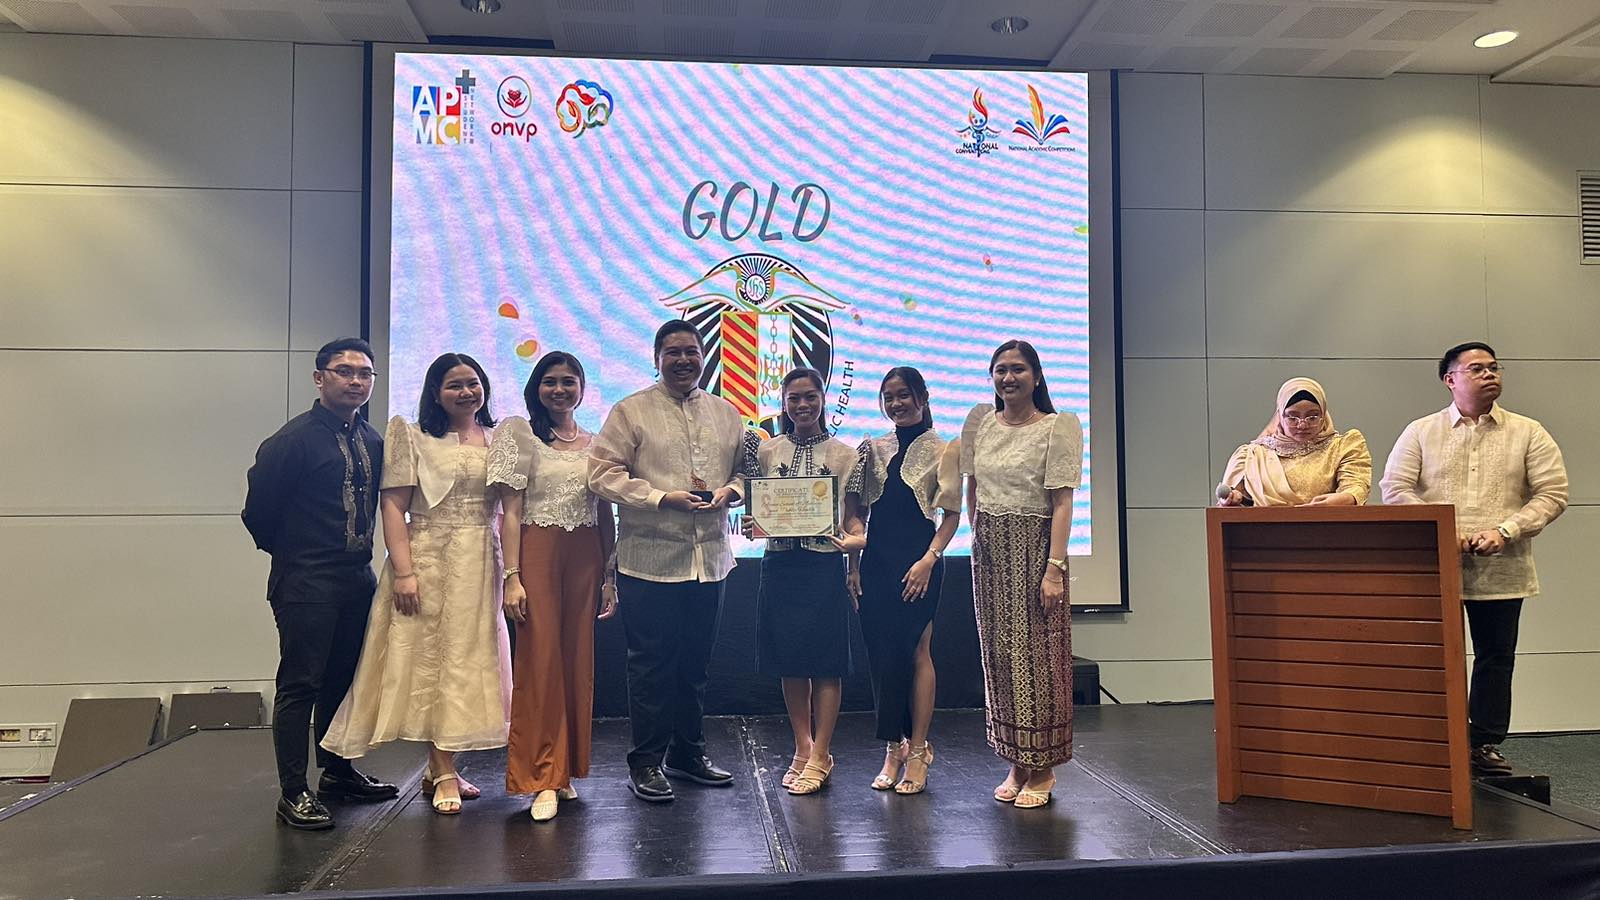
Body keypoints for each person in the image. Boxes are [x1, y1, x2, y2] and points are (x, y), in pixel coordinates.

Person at [319, 352, 513, 815]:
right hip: (428, 560)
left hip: (481, 560)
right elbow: (393, 508)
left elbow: (508, 510)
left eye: (473, 383)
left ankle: (441, 765)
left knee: (467, 662)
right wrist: (404, 572)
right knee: (431, 663)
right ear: (435, 393)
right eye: (454, 385)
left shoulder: (499, 438)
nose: (466, 392)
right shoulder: (413, 435)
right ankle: (442, 768)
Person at [588, 320, 761, 803]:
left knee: (695, 665)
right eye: (673, 352)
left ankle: (687, 754)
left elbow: (746, 474)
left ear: (704, 357)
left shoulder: (727, 413)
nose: (684, 360)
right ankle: (645, 762)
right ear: (657, 358)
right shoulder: (630, 411)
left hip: (711, 561)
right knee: (650, 667)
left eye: (692, 352)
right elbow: (600, 475)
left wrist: (730, 492)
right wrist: (661, 498)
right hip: (650, 562)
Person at [1381, 341, 1567, 777]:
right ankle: (1429, 740)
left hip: (1503, 566)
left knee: (1495, 657)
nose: (1490, 375)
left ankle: (1483, 743)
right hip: (1432, 567)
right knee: (1428, 656)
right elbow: (1395, 488)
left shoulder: (1528, 431)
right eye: (1477, 369)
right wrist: (1442, 531)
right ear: (1450, 379)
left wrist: (1506, 531)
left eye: (1494, 368)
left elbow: (1553, 493)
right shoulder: (1421, 431)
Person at [243, 337, 399, 831]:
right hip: (306, 579)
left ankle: (338, 772)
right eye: (344, 371)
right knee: (300, 683)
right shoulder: (292, 441)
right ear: (319, 378)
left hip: (358, 578)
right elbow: (258, 514)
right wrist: (298, 554)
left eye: (364, 373)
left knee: (344, 680)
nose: (356, 381)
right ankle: (293, 791)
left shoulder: (372, 439)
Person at [489, 351, 618, 821]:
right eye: (550, 381)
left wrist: (609, 576)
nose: (559, 389)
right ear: (536, 387)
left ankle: (564, 770)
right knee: (540, 661)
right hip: (537, 552)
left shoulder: (596, 442)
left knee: (576, 662)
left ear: (581, 387)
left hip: (586, 555)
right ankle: (541, 775)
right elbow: (510, 513)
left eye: (568, 381)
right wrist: (512, 576)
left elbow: (605, 512)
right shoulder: (519, 433)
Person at [959, 340, 1081, 810]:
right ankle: (1015, 760)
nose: (1008, 378)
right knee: (999, 658)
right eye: (1000, 370)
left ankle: (1043, 766)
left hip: (1035, 550)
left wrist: (1055, 568)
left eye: (1018, 369)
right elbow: (972, 487)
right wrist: (978, 534)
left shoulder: (1055, 427)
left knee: (1039, 657)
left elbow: (1062, 502)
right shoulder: (981, 423)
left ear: (1036, 376)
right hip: (990, 551)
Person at [744, 368, 863, 795]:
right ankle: (802, 747)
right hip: (779, 565)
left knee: (826, 663)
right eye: (793, 398)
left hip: (823, 566)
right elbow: (756, 507)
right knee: (790, 661)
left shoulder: (846, 455)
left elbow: (855, 520)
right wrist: (753, 523)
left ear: (823, 398)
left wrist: (855, 548)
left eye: (810, 396)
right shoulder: (766, 451)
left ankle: (823, 752)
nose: (802, 405)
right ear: (783, 403)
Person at [847, 367, 960, 795]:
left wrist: (929, 559)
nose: (896, 404)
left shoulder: (945, 449)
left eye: (904, 395)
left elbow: (950, 515)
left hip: (919, 562)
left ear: (922, 397)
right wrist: (853, 567)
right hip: (876, 562)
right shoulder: (872, 449)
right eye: (889, 397)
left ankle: (918, 751)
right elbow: (857, 512)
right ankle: (893, 747)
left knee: (917, 651)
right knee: (882, 655)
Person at [1216, 377, 1371, 507]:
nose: (1302, 425)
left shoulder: (1342, 447)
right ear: (1280, 416)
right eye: (1292, 417)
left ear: (1324, 415)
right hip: (1263, 532)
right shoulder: (1252, 456)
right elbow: (1231, 506)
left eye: (1312, 417)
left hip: (1327, 529)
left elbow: (1356, 486)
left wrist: (1344, 499)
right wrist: (1234, 499)